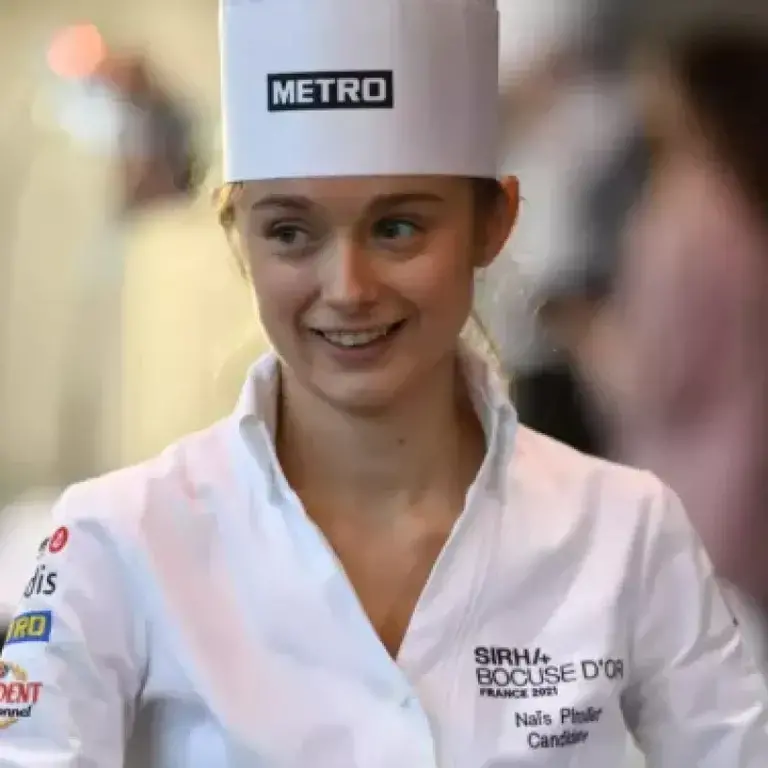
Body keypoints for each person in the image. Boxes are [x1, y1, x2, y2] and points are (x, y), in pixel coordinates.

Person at [1, 2, 767, 765]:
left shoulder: (626, 533)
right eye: (291, 232)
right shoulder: (120, 538)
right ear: (240, 239)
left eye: (398, 227)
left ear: (493, 223)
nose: (348, 287)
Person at [555, 26, 768, 634]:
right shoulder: (744, 200)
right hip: (748, 490)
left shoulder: (685, 216)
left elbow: (651, 382)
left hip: (693, 499)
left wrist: (582, 331)